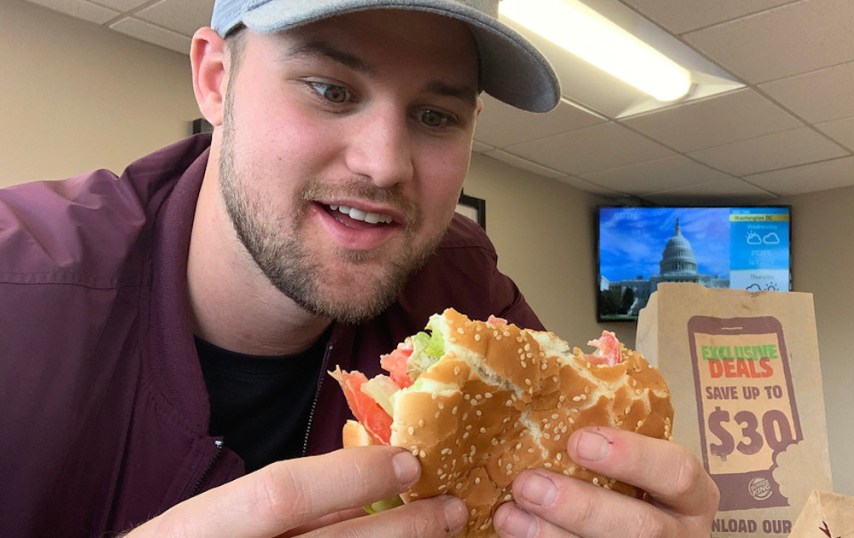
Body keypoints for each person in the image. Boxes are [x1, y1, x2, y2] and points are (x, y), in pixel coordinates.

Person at [0, 0, 719, 536]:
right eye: (330, 89)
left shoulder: (463, 291)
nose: (383, 164)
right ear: (215, 80)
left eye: (436, 115)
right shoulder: (17, 292)